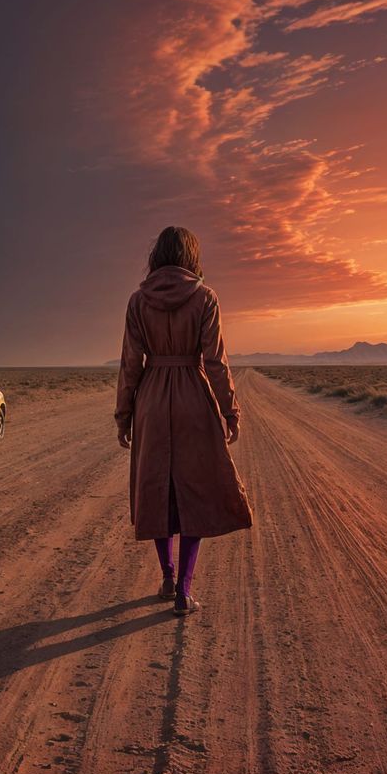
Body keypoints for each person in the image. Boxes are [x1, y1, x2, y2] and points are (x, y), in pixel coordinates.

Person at [114, 226, 253, 616]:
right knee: (194, 493)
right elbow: (216, 362)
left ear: (157, 255)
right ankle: (185, 592)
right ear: (192, 255)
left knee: (158, 489)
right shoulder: (205, 297)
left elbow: (129, 364)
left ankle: (167, 576)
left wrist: (124, 415)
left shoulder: (138, 301)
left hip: (153, 402)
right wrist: (230, 411)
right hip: (194, 395)